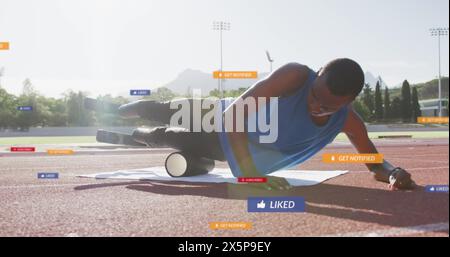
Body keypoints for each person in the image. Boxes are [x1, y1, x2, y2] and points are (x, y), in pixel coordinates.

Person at [96, 58, 416, 191]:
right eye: (315, 95)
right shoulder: (294, 75)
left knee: (169, 136)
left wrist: (393, 173)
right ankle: (118, 109)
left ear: (347, 103)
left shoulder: (350, 122)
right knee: (165, 109)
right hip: (221, 113)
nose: (317, 106)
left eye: (329, 106)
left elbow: (374, 165)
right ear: (316, 76)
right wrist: (249, 176)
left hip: (230, 144)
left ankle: (127, 136)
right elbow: (233, 115)